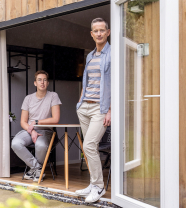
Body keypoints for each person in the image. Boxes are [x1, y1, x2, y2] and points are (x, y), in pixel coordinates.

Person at [75, 18, 111, 203]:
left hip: (100, 108)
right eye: (95, 31)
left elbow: (117, 83)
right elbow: (86, 82)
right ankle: (92, 183)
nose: (99, 33)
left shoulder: (112, 54)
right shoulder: (89, 56)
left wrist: (110, 109)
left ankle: (98, 187)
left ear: (108, 32)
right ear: (91, 34)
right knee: (88, 148)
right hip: (85, 107)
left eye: (102, 30)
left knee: (89, 145)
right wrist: (80, 102)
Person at [11, 70, 62, 182]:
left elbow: (55, 119)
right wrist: (32, 131)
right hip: (29, 130)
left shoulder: (53, 96)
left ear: (47, 83)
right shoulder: (28, 98)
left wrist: (37, 122)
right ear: (35, 83)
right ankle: (38, 169)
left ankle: (34, 170)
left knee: (41, 145)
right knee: (15, 143)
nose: (42, 82)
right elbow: (23, 122)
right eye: (39, 80)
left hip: (46, 131)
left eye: (44, 80)